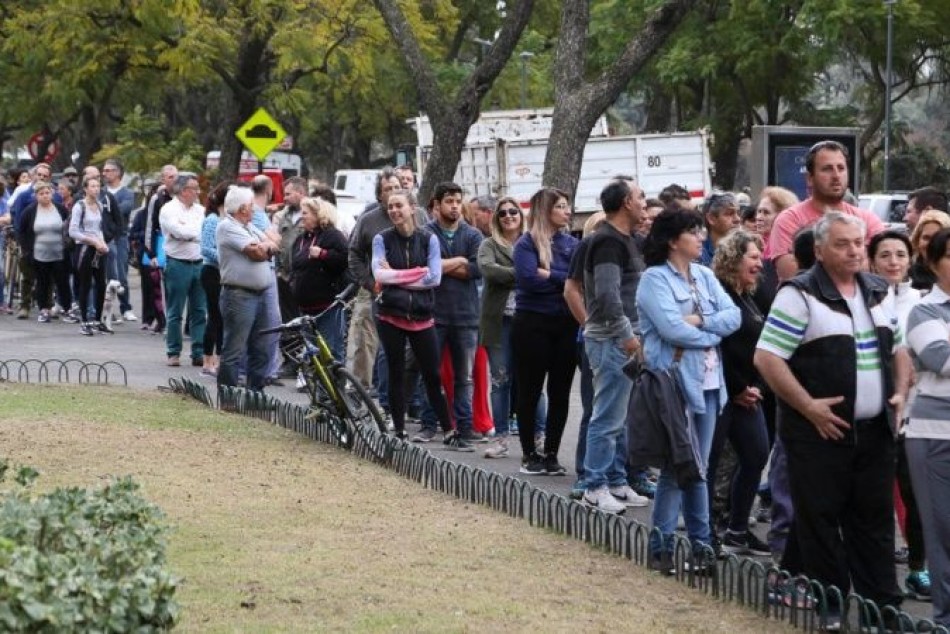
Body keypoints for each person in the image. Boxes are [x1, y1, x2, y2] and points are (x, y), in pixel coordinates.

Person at [755, 212, 909, 628]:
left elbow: (898, 348)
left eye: (859, 243)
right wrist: (807, 406)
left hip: (875, 432)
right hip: (818, 434)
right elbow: (768, 358)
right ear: (820, 250)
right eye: (843, 244)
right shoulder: (799, 294)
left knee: (875, 526)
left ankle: (884, 612)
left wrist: (899, 390)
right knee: (819, 524)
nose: (855, 251)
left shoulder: (878, 290)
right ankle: (832, 607)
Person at [636, 208, 740, 572]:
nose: (700, 237)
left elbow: (734, 318)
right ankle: (663, 545)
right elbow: (670, 329)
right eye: (692, 232)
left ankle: (700, 546)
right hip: (674, 384)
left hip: (711, 384)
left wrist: (701, 322)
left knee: (697, 466)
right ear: (671, 240)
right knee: (677, 464)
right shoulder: (654, 279)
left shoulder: (706, 275)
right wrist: (712, 332)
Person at [580, 179, 650, 513]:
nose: (645, 203)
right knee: (606, 418)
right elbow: (607, 296)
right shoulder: (607, 241)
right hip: (612, 340)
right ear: (625, 202)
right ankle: (595, 486)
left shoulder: (629, 240)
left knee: (620, 418)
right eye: (640, 197)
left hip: (626, 339)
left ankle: (617, 481)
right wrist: (628, 337)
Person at [868, 230, 930, 601]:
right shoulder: (866, 298)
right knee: (874, 497)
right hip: (874, 408)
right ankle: (878, 573)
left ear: (910, 260)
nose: (893, 261)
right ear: (873, 261)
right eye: (885, 255)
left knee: (916, 494)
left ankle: (919, 567)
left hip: (916, 411)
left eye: (900, 254)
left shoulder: (921, 302)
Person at [371, 191, 460, 446]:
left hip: (422, 316)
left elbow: (435, 278)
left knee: (432, 374)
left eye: (399, 206)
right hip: (390, 314)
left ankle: (449, 429)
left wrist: (396, 276)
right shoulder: (382, 239)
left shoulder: (428, 239)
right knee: (396, 372)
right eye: (390, 207)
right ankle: (399, 429)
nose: (394, 211)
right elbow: (379, 274)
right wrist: (416, 273)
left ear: (412, 208)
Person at [707, 230, 771, 556]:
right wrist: (736, 389)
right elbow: (718, 347)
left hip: (748, 393)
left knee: (757, 454)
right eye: (754, 257)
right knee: (711, 461)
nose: (760, 263)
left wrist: (757, 386)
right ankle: (704, 531)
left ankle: (737, 528)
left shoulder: (749, 295)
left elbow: (762, 347)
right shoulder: (718, 294)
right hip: (722, 392)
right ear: (734, 258)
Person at [512, 187, 579, 475]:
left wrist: (550, 274)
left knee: (560, 390)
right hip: (532, 323)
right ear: (546, 211)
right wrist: (562, 283)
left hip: (565, 323)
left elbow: (578, 282)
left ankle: (552, 451)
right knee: (530, 389)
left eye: (567, 206)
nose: (567, 212)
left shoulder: (572, 244)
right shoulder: (526, 244)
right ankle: (529, 452)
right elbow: (527, 280)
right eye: (561, 206)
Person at [904, 226, 950, 628]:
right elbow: (941, 359)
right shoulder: (925, 310)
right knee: (943, 531)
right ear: (933, 264)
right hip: (935, 436)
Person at [415, 183, 483, 443]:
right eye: (449, 201)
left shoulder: (473, 235)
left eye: (457, 201)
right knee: (430, 372)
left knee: (464, 377)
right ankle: (429, 425)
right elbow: (424, 268)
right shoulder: (426, 234)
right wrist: (460, 261)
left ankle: (465, 428)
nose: (454, 206)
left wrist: (440, 265)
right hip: (432, 314)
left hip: (466, 316)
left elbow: (476, 270)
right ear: (436, 205)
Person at [768, 140, 884, 282]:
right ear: (810, 178)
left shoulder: (868, 221)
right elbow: (792, 273)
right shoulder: (789, 220)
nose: (836, 176)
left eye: (841, 168)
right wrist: (856, 263)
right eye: (827, 169)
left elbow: (881, 271)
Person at [217, 185, 281, 392]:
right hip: (239, 295)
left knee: (261, 347)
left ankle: (256, 395)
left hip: (259, 294)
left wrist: (266, 246)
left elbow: (274, 244)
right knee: (235, 348)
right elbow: (256, 253)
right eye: (251, 205)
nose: (254, 209)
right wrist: (265, 247)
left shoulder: (249, 227)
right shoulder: (227, 226)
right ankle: (228, 396)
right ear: (243, 208)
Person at [478, 197, 526, 458]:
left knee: (531, 383)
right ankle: (501, 439)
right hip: (499, 323)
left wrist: (510, 271)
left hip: (529, 322)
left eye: (513, 211)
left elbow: (545, 271)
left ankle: (538, 437)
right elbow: (488, 270)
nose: (508, 216)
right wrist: (523, 272)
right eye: (503, 213)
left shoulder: (531, 242)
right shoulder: (488, 244)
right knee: (500, 382)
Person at [290, 196, 349, 360]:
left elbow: (346, 258)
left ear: (318, 215)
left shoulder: (332, 235)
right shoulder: (301, 239)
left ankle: (335, 384)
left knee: (331, 352)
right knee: (312, 353)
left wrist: (323, 254)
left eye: (305, 213)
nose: (302, 216)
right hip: (305, 307)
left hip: (327, 306)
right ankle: (315, 385)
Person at [159, 174, 207, 367]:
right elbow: (180, 233)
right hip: (177, 263)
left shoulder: (201, 210)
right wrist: (192, 234)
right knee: (175, 310)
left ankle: (199, 351)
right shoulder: (168, 209)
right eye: (194, 188)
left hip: (199, 262)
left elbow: (201, 232)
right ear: (183, 190)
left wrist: (190, 235)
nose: (197, 192)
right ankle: (173, 351)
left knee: (199, 310)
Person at [16, 181, 73, 324]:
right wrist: (27, 249)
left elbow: (69, 226)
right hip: (39, 254)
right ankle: (44, 310)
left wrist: (69, 244)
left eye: (47, 193)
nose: (45, 196)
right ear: (36, 196)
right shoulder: (29, 211)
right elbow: (22, 232)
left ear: (52, 194)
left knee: (62, 282)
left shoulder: (60, 209)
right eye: (41, 194)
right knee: (42, 282)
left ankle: (67, 309)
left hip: (59, 253)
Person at [68, 176, 111, 336]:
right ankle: (84, 321)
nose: (96, 189)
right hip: (85, 248)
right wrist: (92, 241)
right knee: (86, 284)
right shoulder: (79, 206)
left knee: (101, 284)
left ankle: (98, 320)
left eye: (98, 186)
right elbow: (73, 232)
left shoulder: (100, 205)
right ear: (85, 189)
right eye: (92, 186)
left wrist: (102, 242)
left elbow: (99, 227)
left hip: (98, 248)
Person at [199, 183, 229, 378]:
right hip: (211, 271)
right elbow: (206, 248)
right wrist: (227, 257)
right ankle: (208, 359)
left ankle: (219, 358)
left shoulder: (226, 219)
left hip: (223, 272)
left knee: (222, 318)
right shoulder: (212, 220)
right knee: (214, 317)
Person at [102, 158, 136, 321]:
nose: (104, 173)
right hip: (103, 237)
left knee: (121, 273)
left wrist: (107, 209)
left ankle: (126, 307)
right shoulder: (100, 191)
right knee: (105, 274)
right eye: (104, 170)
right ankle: (106, 309)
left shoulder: (127, 193)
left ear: (117, 173)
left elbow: (124, 209)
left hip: (120, 237)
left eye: (108, 170)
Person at [909, 210, 950, 291]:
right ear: (917, 240)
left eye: (937, 237)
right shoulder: (905, 275)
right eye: (926, 238)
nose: (931, 244)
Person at [699, 192, 740, 265]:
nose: (737, 219)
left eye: (738, 213)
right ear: (711, 219)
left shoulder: (743, 249)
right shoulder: (699, 254)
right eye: (730, 214)